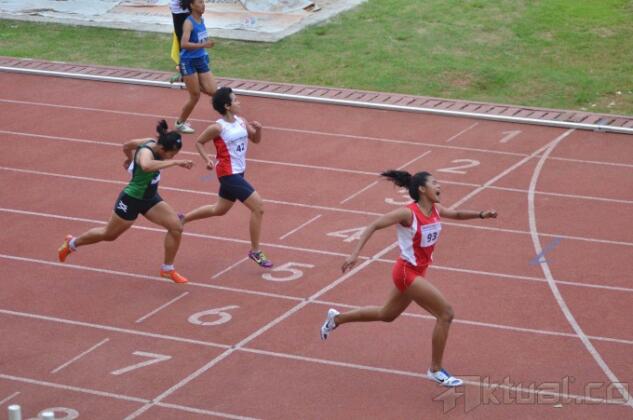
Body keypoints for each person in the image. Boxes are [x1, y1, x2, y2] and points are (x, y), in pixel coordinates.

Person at [319, 170, 498, 388]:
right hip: (406, 272)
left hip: (418, 272)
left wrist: (481, 215)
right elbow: (374, 225)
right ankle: (435, 369)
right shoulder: (408, 214)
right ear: (422, 189)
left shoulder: (435, 210)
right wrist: (354, 254)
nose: (439, 186)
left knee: (386, 314)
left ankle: (336, 319)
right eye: (434, 183)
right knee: (446, 313)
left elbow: (457, 214)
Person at [57, 120, 194, 284]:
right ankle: (71, 243)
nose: (173, 157)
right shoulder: (147, 150)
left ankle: (167, 269)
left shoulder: (152, 143)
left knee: (176, 227)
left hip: (150, 198)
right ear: (162, 149)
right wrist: (175, 162)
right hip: (131, 199)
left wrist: (129, 160)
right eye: (172, 154)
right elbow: (146, 165)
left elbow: (127, 145)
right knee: (109, 234)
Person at [181, 87, 273, 268]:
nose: (239, 102)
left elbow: (256, 140)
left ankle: (183, 218)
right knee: (259, 207)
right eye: (236, 100)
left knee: (219, 209)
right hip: (227, 173)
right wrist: (207, 159)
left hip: (239, 171)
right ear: (227, 105)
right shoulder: (217, 127)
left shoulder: (241, 121)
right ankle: (255, 251)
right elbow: (199, 142)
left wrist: (259, 129)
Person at [175, 0, 217, 134]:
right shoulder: (188, 23)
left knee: (213, 90)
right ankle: (180, 123)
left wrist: (204, 53)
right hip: (188, 61)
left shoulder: (201, 20)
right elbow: (184, 44)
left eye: (203, 2)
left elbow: (201, 39)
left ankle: (188, 79)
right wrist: (203, 46)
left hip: (200, 60)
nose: (203, 5)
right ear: (192, 5)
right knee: (195, 96)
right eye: (199, 2)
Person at [168, 0, 190, 83]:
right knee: (181, 42)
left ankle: (187, 72)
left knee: (187, 41)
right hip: (177, 10)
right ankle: (184, 72)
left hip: (186, 10)